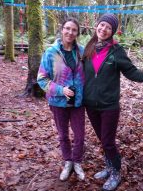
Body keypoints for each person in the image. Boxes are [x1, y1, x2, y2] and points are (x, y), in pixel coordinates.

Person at [83, 13, 143, 190]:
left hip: (109, 106)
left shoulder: (117, 52)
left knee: (108, 141)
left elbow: (133, 73)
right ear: (96, 26)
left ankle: (116, 172)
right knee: (102, 139)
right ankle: (109, 167)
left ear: (112, 31)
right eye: (102, 25)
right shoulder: (89, 47)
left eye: (108, 27)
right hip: (90, 104)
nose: (104, 29)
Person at [37, 18, 86, 181]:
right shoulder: (51, 52)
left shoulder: (81, 51)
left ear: (77, 33)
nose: (70, 32)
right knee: (63, 135)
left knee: (79, 136)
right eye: (67, 28)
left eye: (74, 30)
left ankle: (77, 161)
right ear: (62, 29)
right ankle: (67, 162)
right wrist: (60, 90)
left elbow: (91, 73)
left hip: (78, 102)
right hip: (58, 102)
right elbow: (42, 79)